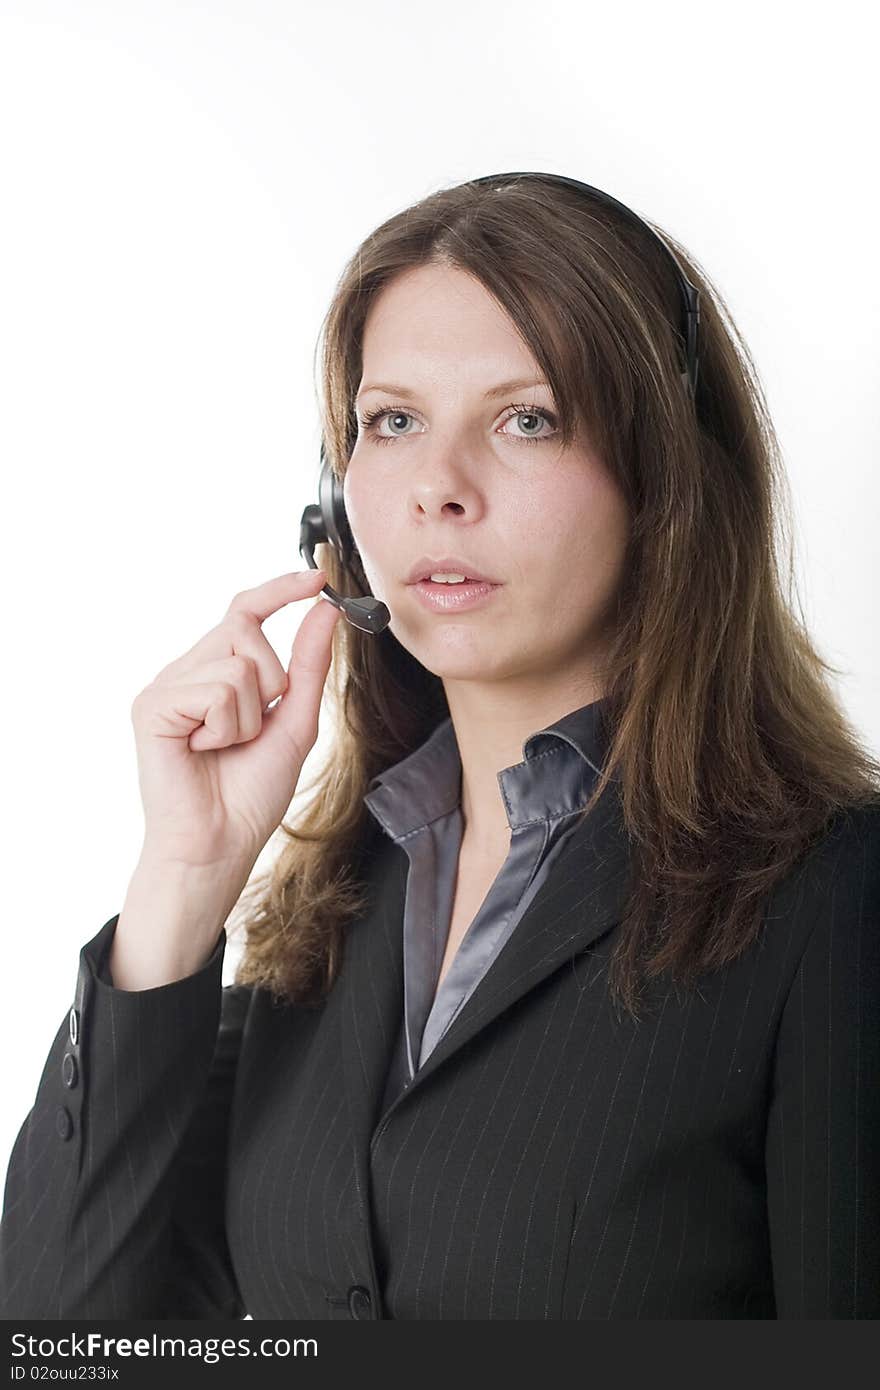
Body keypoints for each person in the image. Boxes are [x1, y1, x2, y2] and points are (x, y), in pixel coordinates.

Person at [1, 170, 878, 1321]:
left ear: (664, 482)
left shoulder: (833, 892)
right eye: (393, 422)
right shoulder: (333, 910)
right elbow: (64, 1340)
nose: (437, 490)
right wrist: (183, 882)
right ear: (333, 495)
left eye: (527, 418)